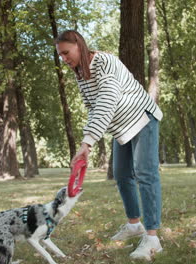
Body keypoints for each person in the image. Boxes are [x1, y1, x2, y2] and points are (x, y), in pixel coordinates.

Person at [55, 30, 163, 261]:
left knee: (145, 174)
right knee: (122, 175)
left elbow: (107, 99)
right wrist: (88, 142)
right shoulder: (80, 73)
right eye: (60, 55)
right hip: (120, 128)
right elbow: (92, 107)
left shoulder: (105, 62)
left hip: (142, 118)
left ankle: (153, 238)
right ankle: (134, 225)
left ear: (79, 45)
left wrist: (87, 143)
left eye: (66, 52)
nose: (64, 59)